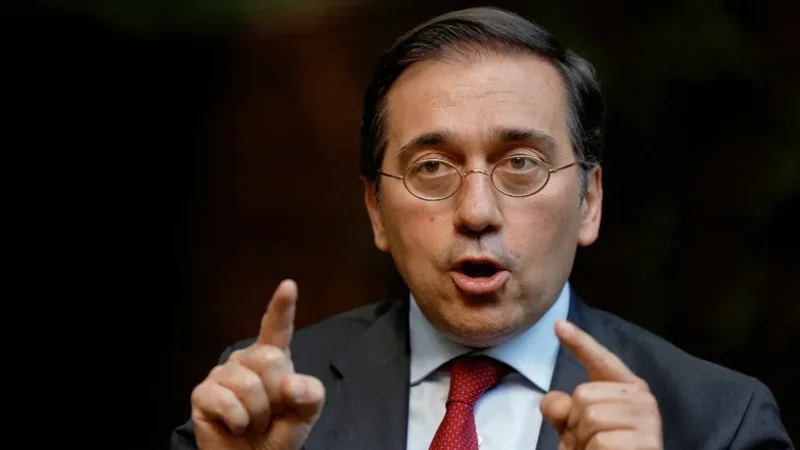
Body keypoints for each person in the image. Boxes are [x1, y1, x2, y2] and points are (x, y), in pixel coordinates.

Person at [171, 7, 793, 450]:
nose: (476, 212)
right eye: (432, 168)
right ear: (375, 211)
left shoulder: (720, 420)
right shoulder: (265, 401)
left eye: (521, 164)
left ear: (589, 201)